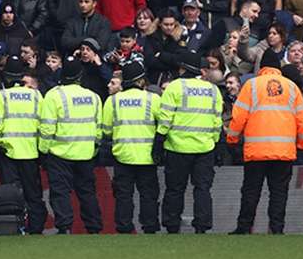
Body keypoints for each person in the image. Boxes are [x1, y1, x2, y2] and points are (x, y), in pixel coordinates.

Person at [226, 52, 303, 234]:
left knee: (251, 191)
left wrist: (232, 139)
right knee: (279, 192)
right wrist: (302, 144)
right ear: (278, 68)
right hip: (284, 151)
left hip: (256, 151)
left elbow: (239, 116)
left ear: (261, 67)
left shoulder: (252, 85)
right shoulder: (291, 87)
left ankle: (243, 227)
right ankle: (277, 228)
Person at [153, 52, 223, 234]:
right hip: (205, 148)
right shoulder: (213, 90)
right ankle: (202, 225)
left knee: (175, 189)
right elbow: (217, 122)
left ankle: (172, 224)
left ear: (182, 68)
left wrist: (159, 142)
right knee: (202, 189)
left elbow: (165, 118)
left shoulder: (175, 87)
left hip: (177, 147)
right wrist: (217, 144)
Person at [39, 56, 103, 234]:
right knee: (87, 193)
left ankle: (64, 227)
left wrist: (43, 151)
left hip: (60, 153)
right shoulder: (93, 97)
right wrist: (94, 148)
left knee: (60, 192)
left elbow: (46, 128)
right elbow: (99, 129)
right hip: (86, 153)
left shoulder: (53, 95)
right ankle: (94, 227)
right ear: (80, 75)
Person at [0, 55, 46, 234]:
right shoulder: (36, 96)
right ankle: (36, 228)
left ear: (6, 75)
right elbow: (43, 123)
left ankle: (13, 227)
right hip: (31, 152)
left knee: (10, 195)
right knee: (33, 194)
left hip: (8, 153)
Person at [102, 61, 161, 234]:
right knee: (148, 195)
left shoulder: (113, 101)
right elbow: (163, 125)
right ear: (141, 81)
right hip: (147, 156)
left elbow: (106, 131)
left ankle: (124, 227)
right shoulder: (153, 99)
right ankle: (149, 227)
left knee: (123, 196)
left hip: (123, 155)